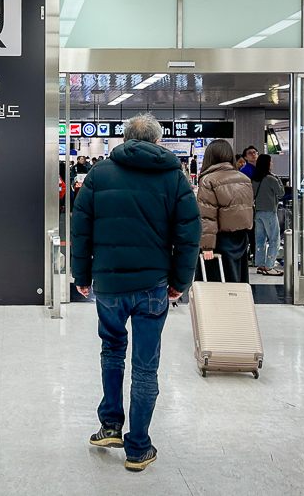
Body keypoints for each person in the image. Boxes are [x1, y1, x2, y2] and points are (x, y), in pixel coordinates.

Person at [71, 112, 200, 472]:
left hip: (110, 283)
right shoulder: (174, 176)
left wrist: (81, 274)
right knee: (146, 365)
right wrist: (180, 282)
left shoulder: (99, 174)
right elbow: (189, 233)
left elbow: (81, 229)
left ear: (126, 140)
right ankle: (138, 447)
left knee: (112, 349)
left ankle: (111, 425)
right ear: (158, 142)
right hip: (154, 286)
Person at [197, 139, 254, 283]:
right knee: (236, 283)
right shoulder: (244, 179)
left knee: (215, 286)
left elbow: (207, 216)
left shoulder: (208, 180)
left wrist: (207, 246)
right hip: (240, 240)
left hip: (218, 241)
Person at [252, 154, 284, 276]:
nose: (272, 164)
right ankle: (269, 266)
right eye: (270, 162)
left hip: (258, 212)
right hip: (269, 212)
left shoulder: (255, 179)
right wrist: (278, 179)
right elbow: (280, 192)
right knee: (274, 239)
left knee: (260, 240)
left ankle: (260, 264)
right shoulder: (271, 179)